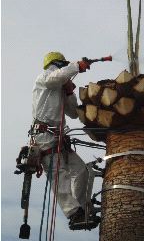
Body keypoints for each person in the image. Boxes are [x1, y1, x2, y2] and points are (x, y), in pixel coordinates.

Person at [31, 51, 91, 226]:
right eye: (63, 65)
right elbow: (54, 78)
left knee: (82, 170)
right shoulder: (44, 78)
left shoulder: (59, 84)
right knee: (59, 176)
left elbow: (72, 113)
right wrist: (75, 67)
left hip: (59, 138)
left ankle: (80, 210)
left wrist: (69, 93)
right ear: (56, 64)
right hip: (43, 136)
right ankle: (73, 213)